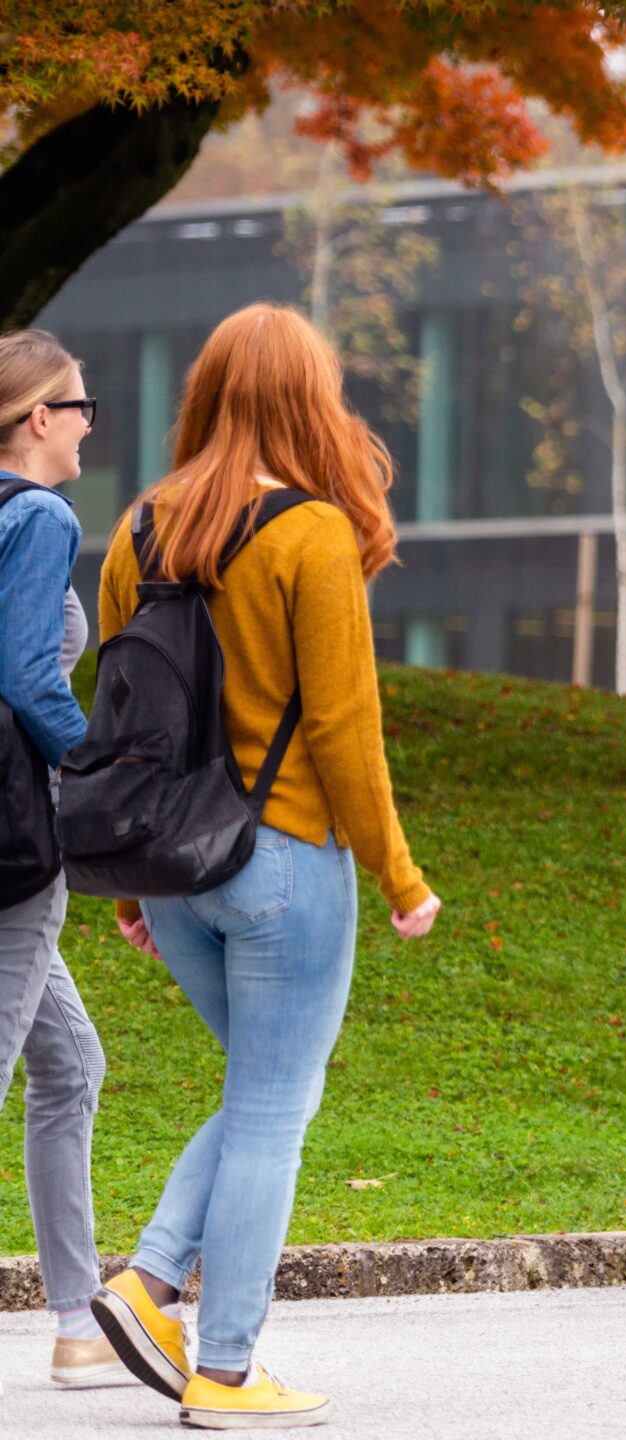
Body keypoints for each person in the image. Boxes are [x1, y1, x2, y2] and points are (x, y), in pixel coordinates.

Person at [88, 304, 441, 1429]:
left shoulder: (138, 527)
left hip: (176, 868)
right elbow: (343, 731)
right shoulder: (312, 535)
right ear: (310, 398)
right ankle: (225, 1369)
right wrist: (400, 876)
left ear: (205, 391)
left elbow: (119, 721)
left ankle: (149, 1289)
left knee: (262, 1095)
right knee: (277, 1109)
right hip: (283, 864)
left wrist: (142, 883)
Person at [0, 331, 121, 1394]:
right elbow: (34, 679)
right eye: (80, 408)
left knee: (70, 1065)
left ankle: (81, 1324)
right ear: (39, 416)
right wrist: (99, 791)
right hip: (14, 845)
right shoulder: (37, 516)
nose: (89, 426)